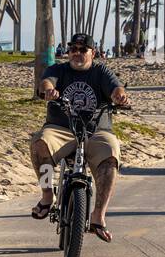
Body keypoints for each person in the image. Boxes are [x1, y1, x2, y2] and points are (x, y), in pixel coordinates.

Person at [30, 33, 130, 243]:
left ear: (93, 53)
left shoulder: (100, 71)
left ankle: (98, 217)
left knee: (111, 156)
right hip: (61, 128)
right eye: (72, 49)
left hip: (96, 131)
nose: (76, 53)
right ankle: (48, 196)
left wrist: (119, 96)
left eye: (82, 50)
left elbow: (116, 88)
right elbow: (46, 82)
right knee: (40, 144)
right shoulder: (59, 69)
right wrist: (48, 91)